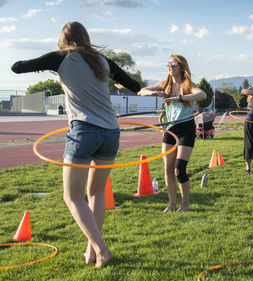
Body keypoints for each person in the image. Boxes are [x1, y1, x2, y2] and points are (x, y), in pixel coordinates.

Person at [11, 21, 141, 267]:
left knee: (72, 197)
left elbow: (16, 67)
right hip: (111, 133)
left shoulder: (60, 58)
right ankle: (92, 251)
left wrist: (44, 65)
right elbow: (135, 86)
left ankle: (102, 250)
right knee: (95, 194)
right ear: (86, 38)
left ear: (64, 39)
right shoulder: (103, 61)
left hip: (85, 131)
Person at [138, 54, 206, 213]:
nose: (170, 66)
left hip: (185, 129)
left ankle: (185, 205)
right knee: (168, 169)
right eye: (168, 63)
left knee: (179, 169)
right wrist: (150, 93)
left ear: (181, 66)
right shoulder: (165, 84)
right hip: (169, 129)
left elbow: (202, 95)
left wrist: (180, 98)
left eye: (173, 63)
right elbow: (142, 90)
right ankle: (172, 204)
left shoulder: (188, 85)